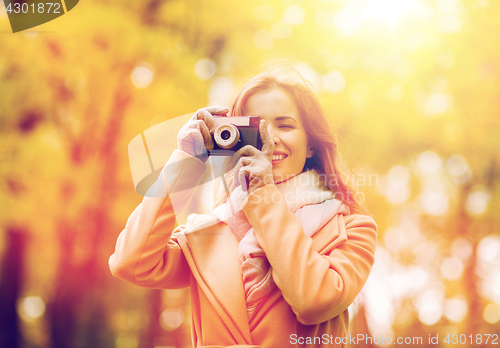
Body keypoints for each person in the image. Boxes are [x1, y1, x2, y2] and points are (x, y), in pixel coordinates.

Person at [109, 64, 377, 348]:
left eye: (285, 125)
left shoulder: (351, 229)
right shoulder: (209, 235)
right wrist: (185, 163)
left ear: (311, 145)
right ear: (232, 139)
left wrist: (262, 194)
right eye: (254, 127)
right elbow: (131, 264)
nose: (270, 138)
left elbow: (314, 301)